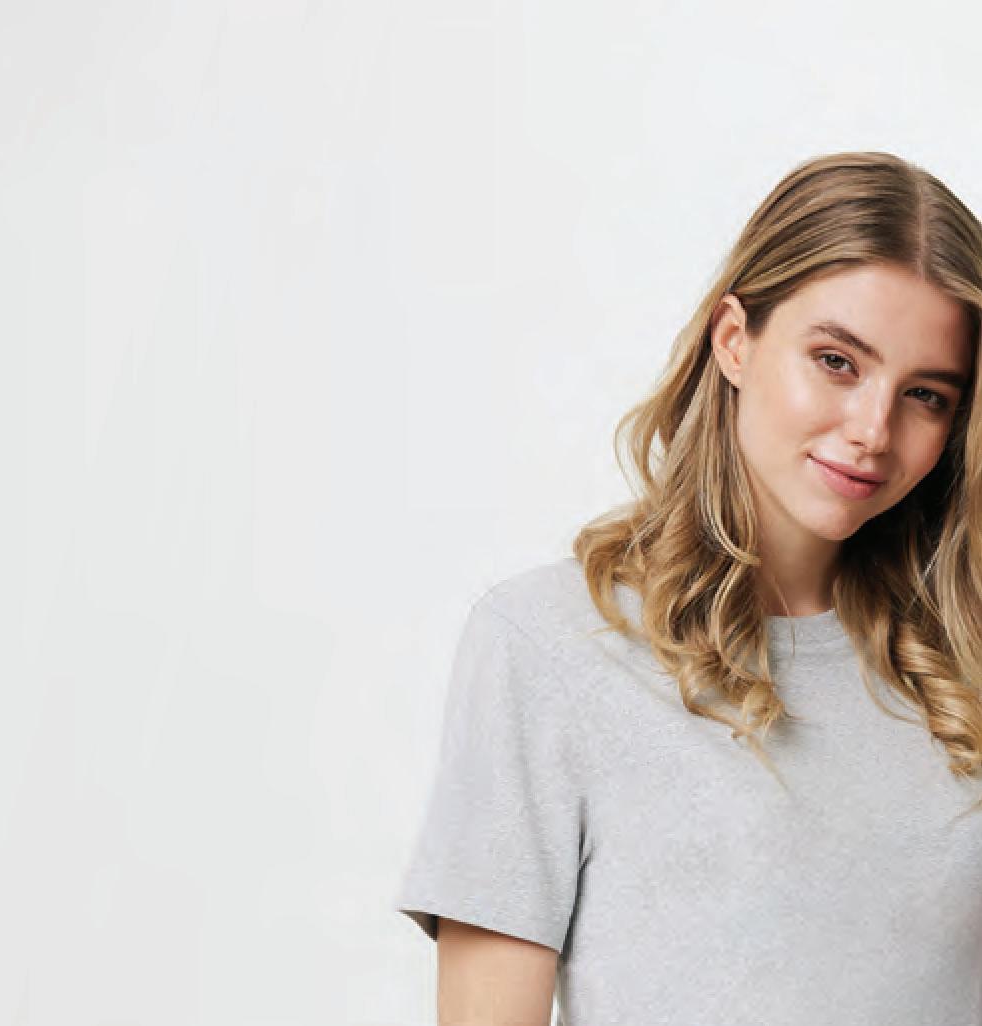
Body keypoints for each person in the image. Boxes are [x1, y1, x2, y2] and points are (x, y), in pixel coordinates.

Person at [392, 151, 982, 1025]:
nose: (872, 429)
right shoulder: (550, 644)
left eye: (925, 394)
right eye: (835, 361)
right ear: (733, 340)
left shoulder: (960, 661)